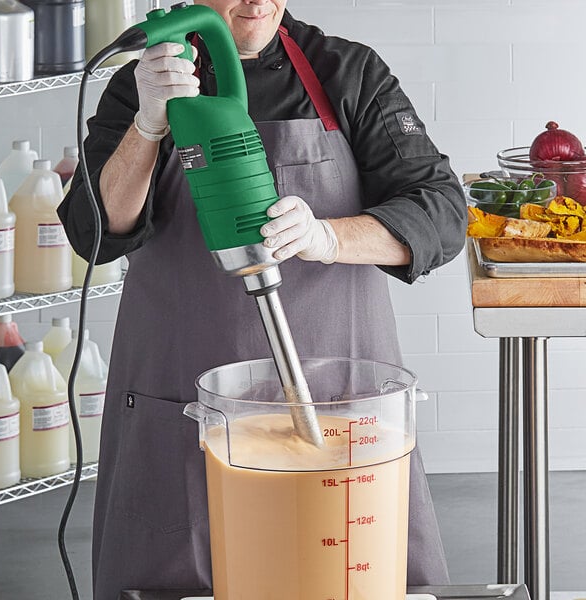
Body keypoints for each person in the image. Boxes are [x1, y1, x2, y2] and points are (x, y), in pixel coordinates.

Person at [58, 1, 467, 598]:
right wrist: (147, 128)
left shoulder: (345, 72)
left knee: (351, 575)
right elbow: (93, 233)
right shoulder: (145, 80)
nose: (257, 1)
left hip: (333, 402)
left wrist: (328, 236)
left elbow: (444, 213)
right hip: (186, 400)